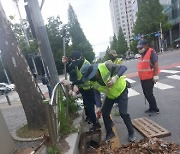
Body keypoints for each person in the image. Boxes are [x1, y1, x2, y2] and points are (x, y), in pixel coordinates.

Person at [81, 62, 135, 142]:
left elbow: (123, 67)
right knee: (105, 113)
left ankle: (131, 133)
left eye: (92, 76)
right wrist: (98, 106)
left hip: (121, 91)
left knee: (123, 113)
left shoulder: (106, 66)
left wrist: (115, 78)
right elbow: (96, 92)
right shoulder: (92, 81)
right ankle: (110, 133)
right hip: (110, 95)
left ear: (95, 71)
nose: (91, 79)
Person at [62, 51, 101, 131]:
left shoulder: (86, 65)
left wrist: (71, 83)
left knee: (98, 106)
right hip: (84, 90)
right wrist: (66, 62)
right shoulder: (77, 63)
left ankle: (108, 119)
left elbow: (83, 80)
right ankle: (95, 124)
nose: (75, 64)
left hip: (91, 89)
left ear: (80, 58)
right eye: (73, 61)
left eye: (75, 61)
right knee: (89, 108)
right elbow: (70, 68)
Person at [137, 38, 160, 116]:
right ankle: (151, 107)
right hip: (143, 78)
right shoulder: (143, 54)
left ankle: (155, 109)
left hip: (149, 77)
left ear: (146, 45)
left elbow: (155, 64)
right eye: (139, 48)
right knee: (146, 94)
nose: (139, 49)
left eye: (141, 47)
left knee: (149, 94)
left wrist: (156, 75)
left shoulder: (151, 52)